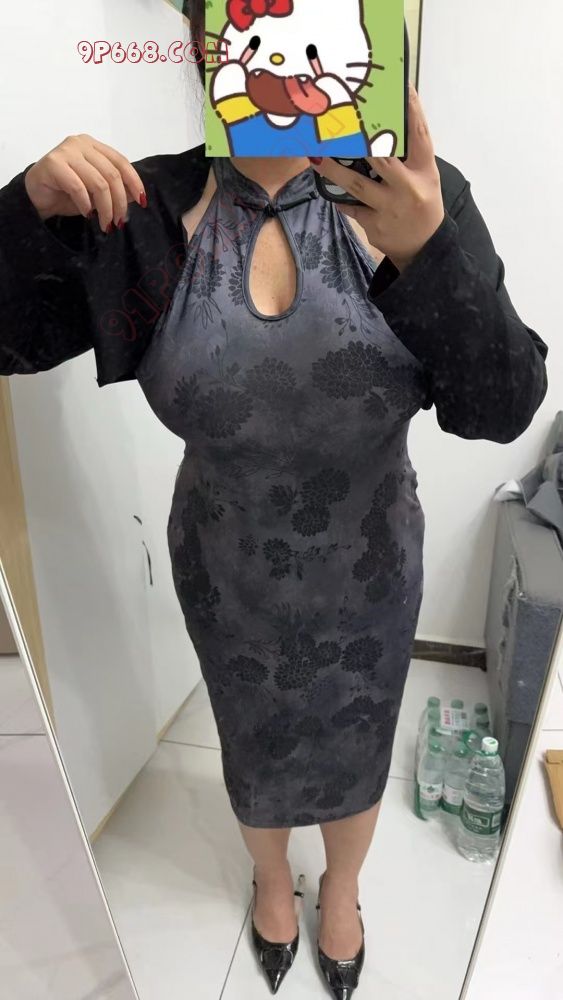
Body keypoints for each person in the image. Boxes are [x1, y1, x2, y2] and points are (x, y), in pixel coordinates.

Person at [0, 3, 548, 997]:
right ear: (203, 40)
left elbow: (501, 407)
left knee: (358, 731)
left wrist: (430, 251)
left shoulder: (415, 197)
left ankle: (341, 887)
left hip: (370, 562)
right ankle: (268, 880)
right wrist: (23, 209)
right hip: (227, 568)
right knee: (251, 734)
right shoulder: (142, 213)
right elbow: (7, 339)